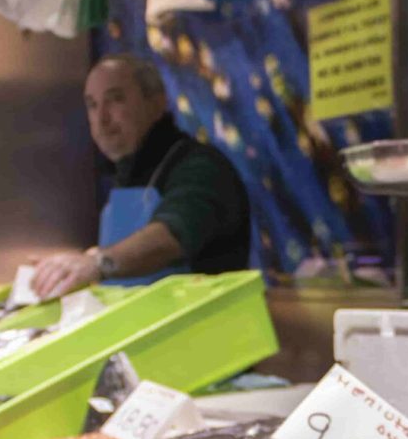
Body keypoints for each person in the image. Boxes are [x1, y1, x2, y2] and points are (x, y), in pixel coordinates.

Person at [31, 54, 251, 297]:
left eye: (116, 100)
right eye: (92, 105)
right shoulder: (125, 174)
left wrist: (96, 263)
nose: (102, 119)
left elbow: (169, 238)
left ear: (157, 103)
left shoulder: (200, 168)